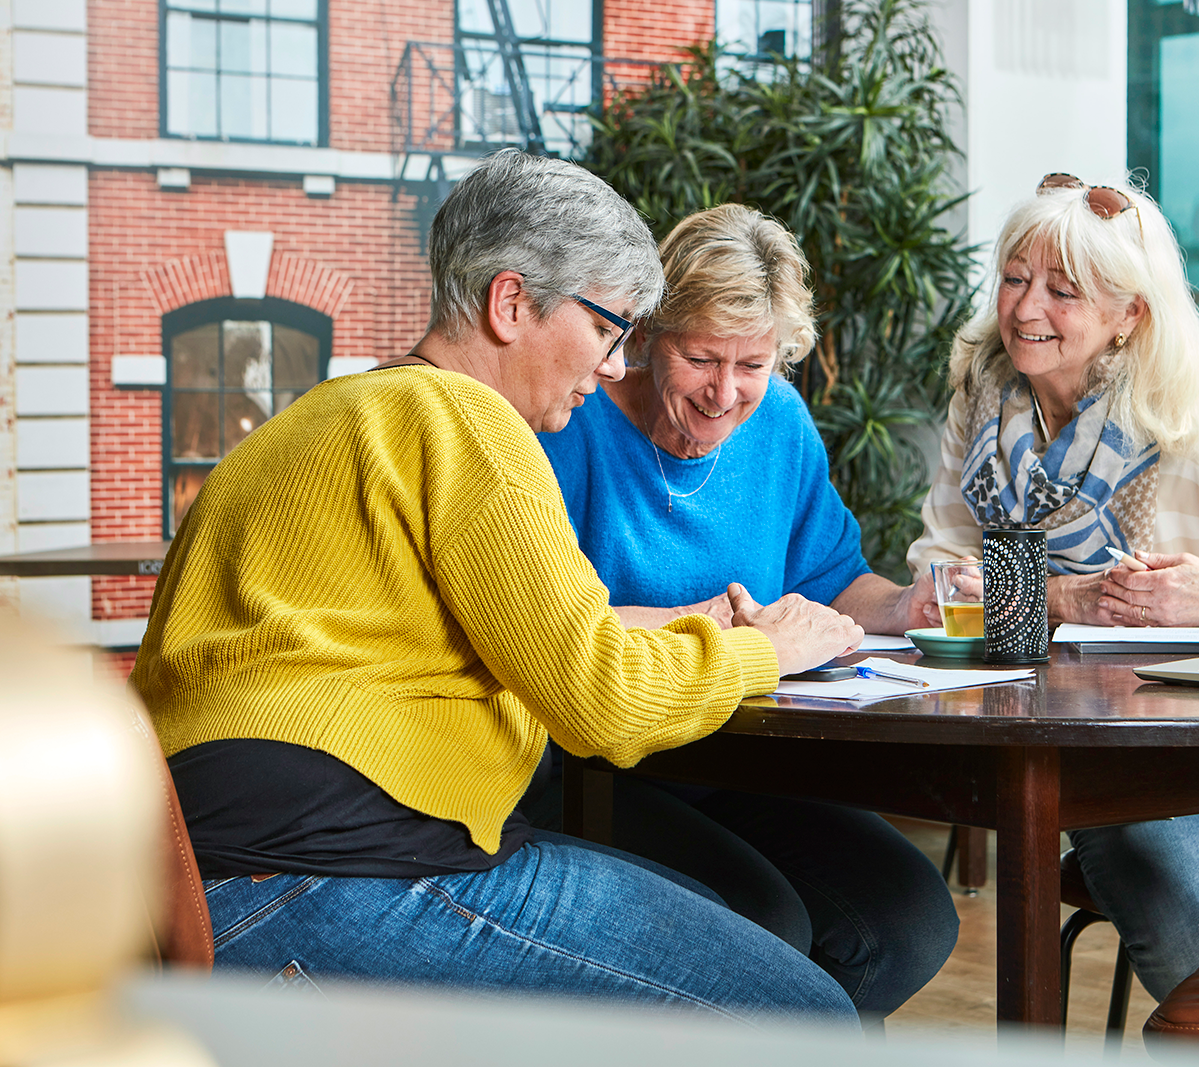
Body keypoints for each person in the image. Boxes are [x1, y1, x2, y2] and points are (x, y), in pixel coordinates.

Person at [130, 150, 867, 1029]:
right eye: (607, 328)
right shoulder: (472, 421)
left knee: (727, 927)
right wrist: (762, 649)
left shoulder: (304, 424)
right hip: (339, 874)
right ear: (510, 302)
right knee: (807, 1016)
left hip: (185, 895)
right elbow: (604, 702)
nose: (612, 367)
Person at [906, 173, 1199, 1002]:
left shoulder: (1197, 432)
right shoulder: (979, 412)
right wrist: (1060, 597)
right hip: (1110, 756)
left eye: (1062, 290)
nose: (1026, 307)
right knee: (1188, 928)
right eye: (1015, 278)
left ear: (1129, 316)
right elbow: (939, 581)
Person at [530, 203, 958, 1021]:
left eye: (752, 365)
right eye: (699, 358)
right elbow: (547, 621)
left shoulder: (782, 424)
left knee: (907, 921)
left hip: (742, 760)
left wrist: (906, 604)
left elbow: (833, 577)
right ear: (649, 334)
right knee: (766, 925)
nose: (724, 392)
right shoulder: (571, 418)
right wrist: (708, 624)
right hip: (598, 767)